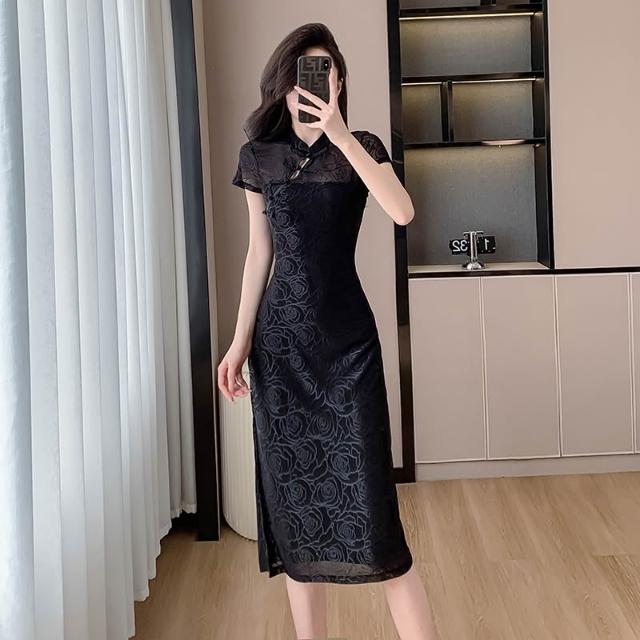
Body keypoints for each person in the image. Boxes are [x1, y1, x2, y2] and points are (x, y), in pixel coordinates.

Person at [218, 22, 437, 640]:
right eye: (301, 74)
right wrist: (238, 342)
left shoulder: (360, 146)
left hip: (349, 350)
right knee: (299, 521)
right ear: (283, 84)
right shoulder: (259, 157)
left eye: (324, 73)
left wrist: (339, 133)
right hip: (281, 353)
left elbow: (403, 211)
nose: (310, 85)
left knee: (379, 528)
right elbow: (259, 254)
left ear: (338, 82)